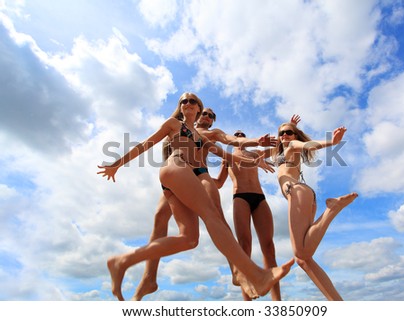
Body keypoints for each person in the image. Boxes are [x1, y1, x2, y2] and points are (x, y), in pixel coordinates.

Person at [97, 92, 294, 301]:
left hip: (186, 178)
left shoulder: (202, 137)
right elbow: (147, 143)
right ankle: (254, 274)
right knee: (209, 214)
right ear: (181, 107)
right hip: (176, 166)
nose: (188, 103)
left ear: (198, 108)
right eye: (184, 101)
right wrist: (117, 163)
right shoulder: (174, 124)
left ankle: (122, 261)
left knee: (189, 239)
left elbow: (228, 152)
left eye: (192, 101)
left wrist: (254, 158)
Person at [132, 106, 277, 300]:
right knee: (160, 217)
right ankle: (149, 278)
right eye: (206, 113)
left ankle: (238, 270)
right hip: (178, 174)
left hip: (200, 174)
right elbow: (156, 144)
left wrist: (256, 141)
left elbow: (233, 140)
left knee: (216, 214)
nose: (207, 117)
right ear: (199, 114)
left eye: (211, 116)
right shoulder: (179, 126)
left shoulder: (212, 134)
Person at [260, 115, 358, 300]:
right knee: (303, 259)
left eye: (289, 133)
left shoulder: (292, 145)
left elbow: (308, 145)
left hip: (296, 191)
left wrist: (332, 141)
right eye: (282, 133)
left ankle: (332, 209)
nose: (285, 136)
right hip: (304, 195)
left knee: (301, 254)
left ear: (295, 135)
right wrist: (291, 127)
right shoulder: (278, 152)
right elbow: (251, 155)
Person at [215, 129, 281, 301]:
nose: (239, 135)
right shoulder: (227, 157)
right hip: (240, 198)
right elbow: (219, 183)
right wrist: (198, 176)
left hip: (259, 198)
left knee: (269, 247)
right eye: (236, 134)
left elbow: (278, 146)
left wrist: (289, 128)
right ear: (232, 141)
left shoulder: (256, 153)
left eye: (241, 133)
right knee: (244, 246)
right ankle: (247, 302)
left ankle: (278, 302)